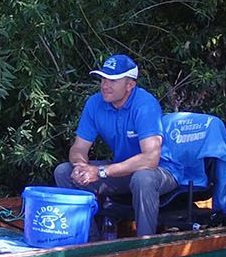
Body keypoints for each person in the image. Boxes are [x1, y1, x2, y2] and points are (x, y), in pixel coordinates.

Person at [53, 53, 177, 237]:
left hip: (162, 171)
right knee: (64, 172)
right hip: (122, 171)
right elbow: (79, 147)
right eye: (103, 78)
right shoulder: (95, 103)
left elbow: (150, 159)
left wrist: (101, 172)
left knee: (143, 178)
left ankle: (145, 245)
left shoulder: (145, 105)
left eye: (113, 80)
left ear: (130, 85)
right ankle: (92, 244)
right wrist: (81, 166)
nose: (105, 85)